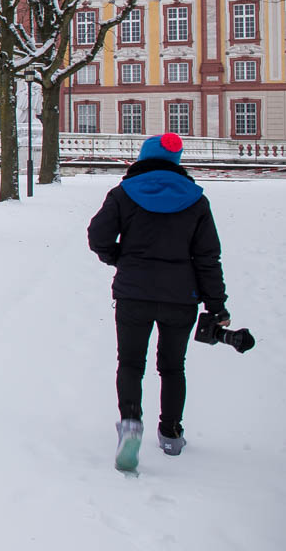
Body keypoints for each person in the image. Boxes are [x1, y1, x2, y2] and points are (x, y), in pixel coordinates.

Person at [87, 132, 230, 472]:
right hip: (181, 297)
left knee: (131, 363)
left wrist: (119, 258)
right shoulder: (196, 200)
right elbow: (208, 257)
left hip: (134, 293)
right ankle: (170, 433)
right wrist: (216, 304)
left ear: (143, 156)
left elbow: (98, 236)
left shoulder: (124, 194)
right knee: (172, 366)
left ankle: (131, 424)